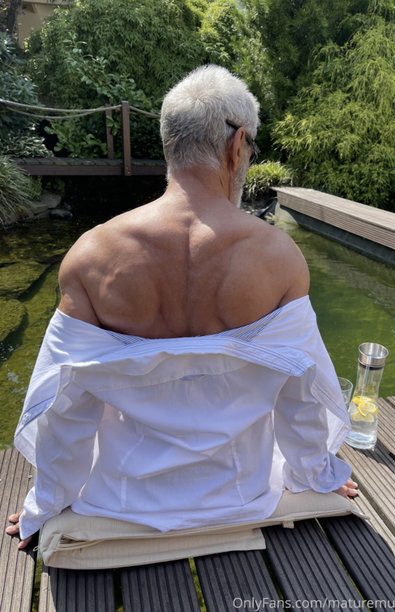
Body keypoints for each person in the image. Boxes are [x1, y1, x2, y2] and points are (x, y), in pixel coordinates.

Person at [7, 65, 357, 551]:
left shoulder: (91, 256)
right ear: (237, 145)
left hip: (122, 502)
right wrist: (318, 477)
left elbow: (63, 405)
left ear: (169, 143)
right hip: (243, 496)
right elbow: (303, 397)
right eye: (251, 150)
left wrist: (45, 505)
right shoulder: (279, 258)